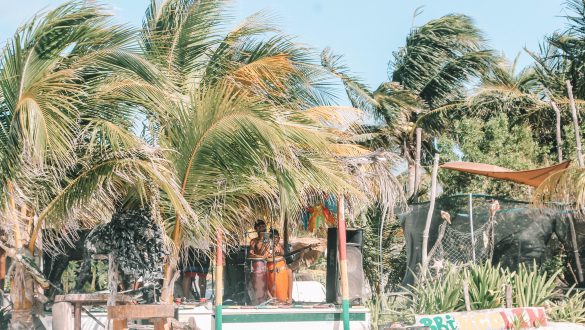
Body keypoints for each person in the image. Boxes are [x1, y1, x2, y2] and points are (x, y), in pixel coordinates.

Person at [266, 229, 293, 304]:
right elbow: (265, 257)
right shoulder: (266, 245)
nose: (275, 239)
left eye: (276, 237)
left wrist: (279, 248)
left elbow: (283, 254)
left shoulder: (279, 245)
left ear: (279, 238)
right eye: (273, 237)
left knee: (289, 271)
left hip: (279, 266)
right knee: (262, 277)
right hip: (267, 266)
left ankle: (289, 298)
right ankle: (270, 298)